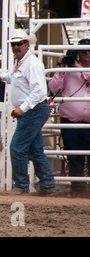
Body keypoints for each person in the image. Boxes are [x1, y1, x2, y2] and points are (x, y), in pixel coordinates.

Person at [0, 29, 56, 195]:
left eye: (19, 44)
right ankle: (47, 185)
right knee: (35, 150)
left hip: (32, 110)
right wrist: (3, 77)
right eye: (13, 44)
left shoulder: (32, 64)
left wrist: (22, 108)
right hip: (33, 110)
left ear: (27, 44)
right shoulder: (24, 62)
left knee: (17, 147)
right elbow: (16, 78)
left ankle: (21, 185)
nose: (15, 47)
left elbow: (39, 92)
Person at [48, 38, 90, 197]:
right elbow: (53, 88)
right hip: (71, 121)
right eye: (83, 50)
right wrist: (61, 68)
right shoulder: (68, 69)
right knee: (73, 156)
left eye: (89, 50)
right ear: (77, 52)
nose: (87, 53)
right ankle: (78, 190)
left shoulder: (76, 67)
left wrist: (76, 66)